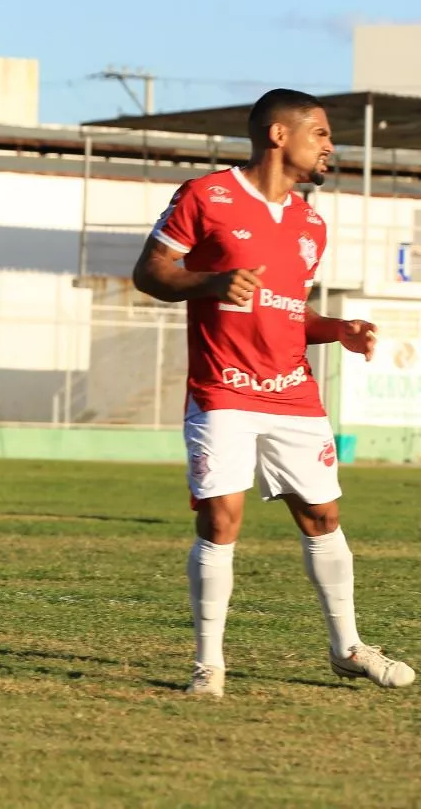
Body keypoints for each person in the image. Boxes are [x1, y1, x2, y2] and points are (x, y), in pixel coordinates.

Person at [131, 88, 414, 697]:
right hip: (222, 388)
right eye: (320, 134)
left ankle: (348, 648)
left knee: (324, 517)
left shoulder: (312, 223)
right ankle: (209, 664)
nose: (330, 147)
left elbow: (288, 310)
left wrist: (335, 329)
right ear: (279, 136)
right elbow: (149, 272)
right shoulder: (206, 196)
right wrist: (212, 281)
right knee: (221, 519)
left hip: (291, 390)